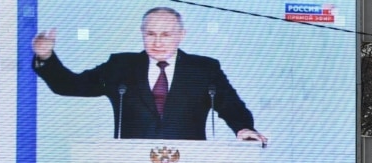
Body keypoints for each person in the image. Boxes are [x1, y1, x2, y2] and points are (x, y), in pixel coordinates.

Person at [31, 7, 267, 143]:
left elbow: (231, 106)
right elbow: (71, 86)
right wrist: (47, 58)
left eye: (166, 34)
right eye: (151, 34)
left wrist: (243, 128)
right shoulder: (120, 66)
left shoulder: (204, 69)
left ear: (181, 34)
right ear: (142, 33)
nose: (157, 42)